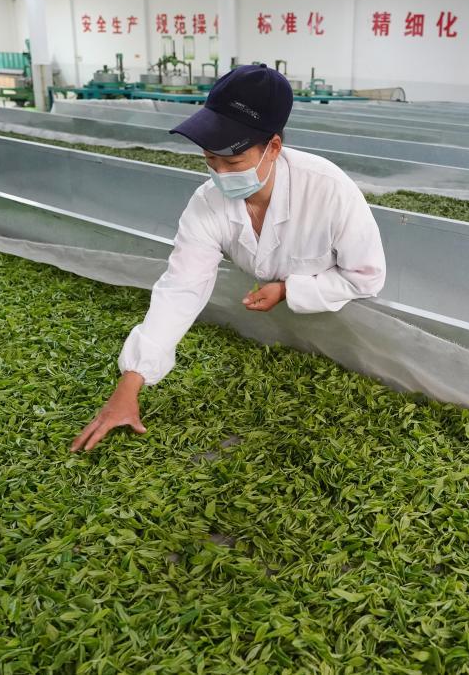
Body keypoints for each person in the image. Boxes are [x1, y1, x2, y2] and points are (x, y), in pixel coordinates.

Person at [71, 64, 386, 453]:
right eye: (210, 159)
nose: (220, 174)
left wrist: (289, 290)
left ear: (273, 147)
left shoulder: (329, 191)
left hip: (338, 331)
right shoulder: (208, 204)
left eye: (233, 163)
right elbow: (182, 289)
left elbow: (366, 277)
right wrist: (130, 383)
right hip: (265, 328)